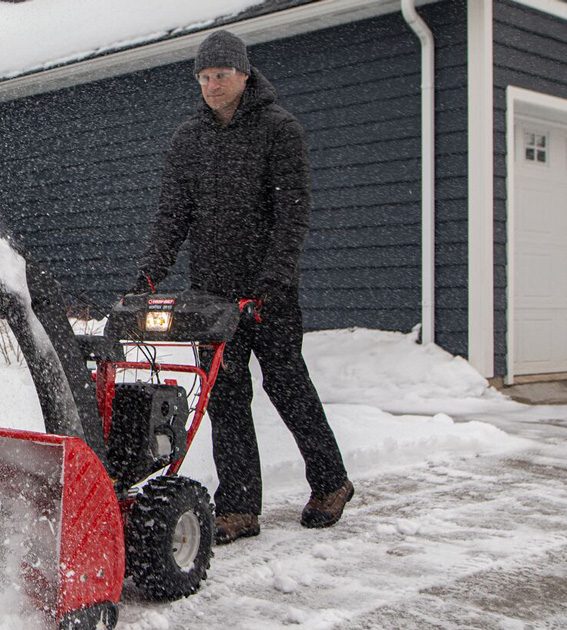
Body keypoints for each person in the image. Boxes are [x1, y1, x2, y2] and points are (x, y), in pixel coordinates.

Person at [134, 30, 353, 545]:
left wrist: (273, 280)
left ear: (244, 73)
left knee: (286, 385)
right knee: (225, 395)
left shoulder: (280, 130)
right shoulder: (189, 138)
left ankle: (331, 482)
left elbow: (291, 215)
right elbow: (173, 215)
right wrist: (149, 272)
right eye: (204, 77)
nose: (212, 85)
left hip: (266, 293)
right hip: (212, 294)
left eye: (221, 75)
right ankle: (238, 508)